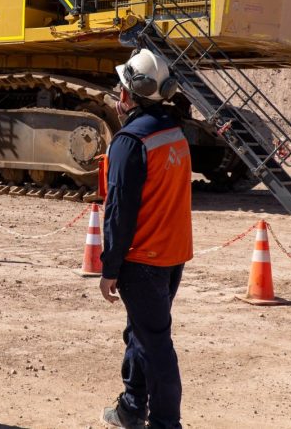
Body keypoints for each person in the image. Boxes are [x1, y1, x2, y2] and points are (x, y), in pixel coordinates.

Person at [99, 49, 193, 429]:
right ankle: (132, 407)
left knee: (155, 345)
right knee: (141, 332)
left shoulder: (129, 142)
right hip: (172, 255)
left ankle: (166, 422)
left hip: (144, 259)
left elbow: (118, 212)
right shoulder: (174, 134)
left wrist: (109, 268)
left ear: (128, 95)